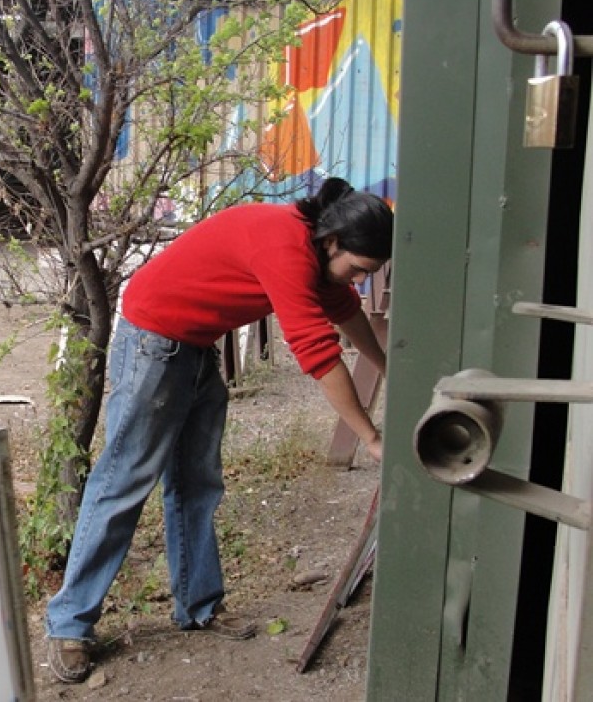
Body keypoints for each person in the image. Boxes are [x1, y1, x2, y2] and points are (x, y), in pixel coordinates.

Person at [44, 177, 393, 683]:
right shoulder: (287, 248)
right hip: (153, 340)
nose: (359, 280)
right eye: (358, 269)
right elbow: (318, 353)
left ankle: (198, 606)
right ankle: (69, 623)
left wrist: (389, 368)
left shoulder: (322, 257)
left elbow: (348, 315)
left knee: (196, 482)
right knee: (122, 483)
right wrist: (371, 436)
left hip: (194, 342)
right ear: (332, 242)